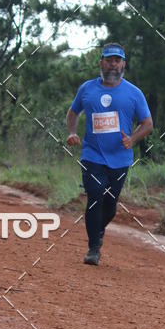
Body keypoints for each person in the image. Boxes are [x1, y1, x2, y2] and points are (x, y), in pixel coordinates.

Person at [66, 43, 153, 266]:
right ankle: (94, 248)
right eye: (109, 60)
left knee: (110, 206)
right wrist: (72, 132)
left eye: (117, 61)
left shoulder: (134, 93)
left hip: (120, 158)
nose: (113, 65)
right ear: (101, 63)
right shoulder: (87, 89)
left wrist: (132, 139)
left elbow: (147, 123)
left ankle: (98, 230)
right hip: (92, 155)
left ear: (123, 64)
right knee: (95, 196)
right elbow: (73, 113)